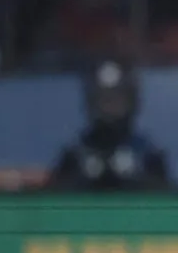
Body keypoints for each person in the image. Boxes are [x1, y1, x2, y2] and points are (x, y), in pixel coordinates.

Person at [50, 59, 169, 190]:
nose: (110, 107)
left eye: (116, 99)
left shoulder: (148, 155)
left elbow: (163, 195)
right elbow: (58, 195)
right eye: (104, 100)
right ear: (91, 103)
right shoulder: (75, 155)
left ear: (131, 102)